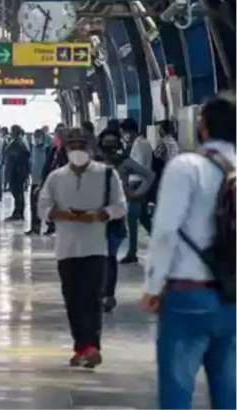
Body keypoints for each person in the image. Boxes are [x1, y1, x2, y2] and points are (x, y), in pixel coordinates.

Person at [141, 95, 235, 409]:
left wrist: (153, 286)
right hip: (233, 298)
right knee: (229, 393)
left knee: (177, 392)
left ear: (203, 128)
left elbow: (165, 230)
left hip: (188, 294)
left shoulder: (187, 167)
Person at [38, 128, 127, 368]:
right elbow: (42, 207)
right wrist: (58, 214)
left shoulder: (107, 174)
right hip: (66, 249)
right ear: (66, 150)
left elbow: (121, 206)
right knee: (73, 299)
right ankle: (81, 346)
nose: (77, 151)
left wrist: (102, 214)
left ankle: (92, 347)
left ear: (91, 149)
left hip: (96, 247)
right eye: (72, 146)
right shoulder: (56, 177)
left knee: (92, 298)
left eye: (81, 146)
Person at [98, 129, 155, 312]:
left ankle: (108, 295)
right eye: (107, 145)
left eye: (112, 145)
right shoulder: (93, 163)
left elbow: (149, 175)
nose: (110, 149)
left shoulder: (123, 163)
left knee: (110, 257)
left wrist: (135, 194)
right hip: (95, 216)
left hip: (115, 215)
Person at [120, 118, 153, 263]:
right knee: (144, 218)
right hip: (141, 183)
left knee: (132, 219)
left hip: (137, 184)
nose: (124, 136)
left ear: (129, 131)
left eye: (124, 132)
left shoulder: (139, 144)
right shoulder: (142, 143)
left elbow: (138, 165)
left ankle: (132, 252)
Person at [4, 125, 30, 221]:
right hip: (18, 170)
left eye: (12, 131)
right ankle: (18, 211)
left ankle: (18, 212)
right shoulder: (20, 141)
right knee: (18, 192)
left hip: (17, 171)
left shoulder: (18, 143)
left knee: (17, 192)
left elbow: (18, 157)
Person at [26, 129, 48, 235]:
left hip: (44, 182)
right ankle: (35, 227)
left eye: (38, 137)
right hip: (34, 181)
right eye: (35, 137)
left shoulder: (47, 150)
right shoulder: (33, 148)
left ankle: (50, 226)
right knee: (33, 205)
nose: (36, 139)